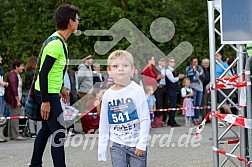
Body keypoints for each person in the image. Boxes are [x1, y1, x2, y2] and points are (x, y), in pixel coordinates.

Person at [29, 4, 79, 167]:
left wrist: (61, 88)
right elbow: (43, 74)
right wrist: (45, 101)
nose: (78, 22)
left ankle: (34, 164)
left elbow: (53, 73)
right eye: (77, 19)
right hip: (46, 93)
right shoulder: (56, 44)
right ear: (70, 22)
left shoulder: (61, 41)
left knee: (46, 130)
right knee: (59, 132)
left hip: (51, 91)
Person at [98, 50, 150, 166]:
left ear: (132, 69)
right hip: (116, 145)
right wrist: (102, 148)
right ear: (109, 70)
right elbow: (104, 123)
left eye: (125, 65)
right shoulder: (107, 95)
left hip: (136, 144)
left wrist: (142, 143)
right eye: (115, 66)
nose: (120, 69)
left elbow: (145, 119)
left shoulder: (137, 90)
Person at [4, 59, 26, 140]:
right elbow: (14, 89)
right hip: (13, 99)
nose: (23, 68)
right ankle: (15, 134)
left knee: (13, 116)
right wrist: (17, 100)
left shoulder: (16, 74)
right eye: (21, 66)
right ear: (16, 67)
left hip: (15, 98)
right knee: (15, 116)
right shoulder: (13, 75)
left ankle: (11, 134)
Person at [24, 57, 42, 138]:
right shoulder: (35, 73)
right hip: (34, 92)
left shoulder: (27, 72)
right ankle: (39, 131)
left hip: (28, 91)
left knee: (30, 114)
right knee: (38, 112)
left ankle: (32, 132)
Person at [165, 57, 184, 127]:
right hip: (171, 90)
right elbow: (172, 80)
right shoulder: (168, 71)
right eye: (171, 62)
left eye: (173, 62)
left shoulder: (172, 70)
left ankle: (171, 120)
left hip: (174, 90)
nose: (173, 63)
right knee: (172, 106)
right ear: (168, 63)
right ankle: (172, 121)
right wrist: (179, 77)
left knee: (173, 106)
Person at [185, 56, 204, 125]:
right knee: (194, 103)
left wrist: (201, 74)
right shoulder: (188, 68)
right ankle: (193, 118)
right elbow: (187, 76)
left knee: (198, 104)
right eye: (194, 62)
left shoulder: (200, 68)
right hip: (193, 86)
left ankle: (197, 118)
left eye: (197, 62)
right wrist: (193, 70)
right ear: (192, 62)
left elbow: (203, 77)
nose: (196, 63)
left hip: (200, 87)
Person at [63, 67, 79, 135]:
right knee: (64, 112)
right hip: (63, 94)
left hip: (71, 93)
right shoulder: (60, 71)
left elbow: (76, 82)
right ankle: (65, 128)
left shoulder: (72, 72)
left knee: (72, 112)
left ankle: (71, 128)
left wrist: (76, 91)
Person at [0, 56, 8, 143]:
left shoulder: (1, 69)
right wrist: (5, 84)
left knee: (1, 115)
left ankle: (1, 134)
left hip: (1, 94)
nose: (1, 59)